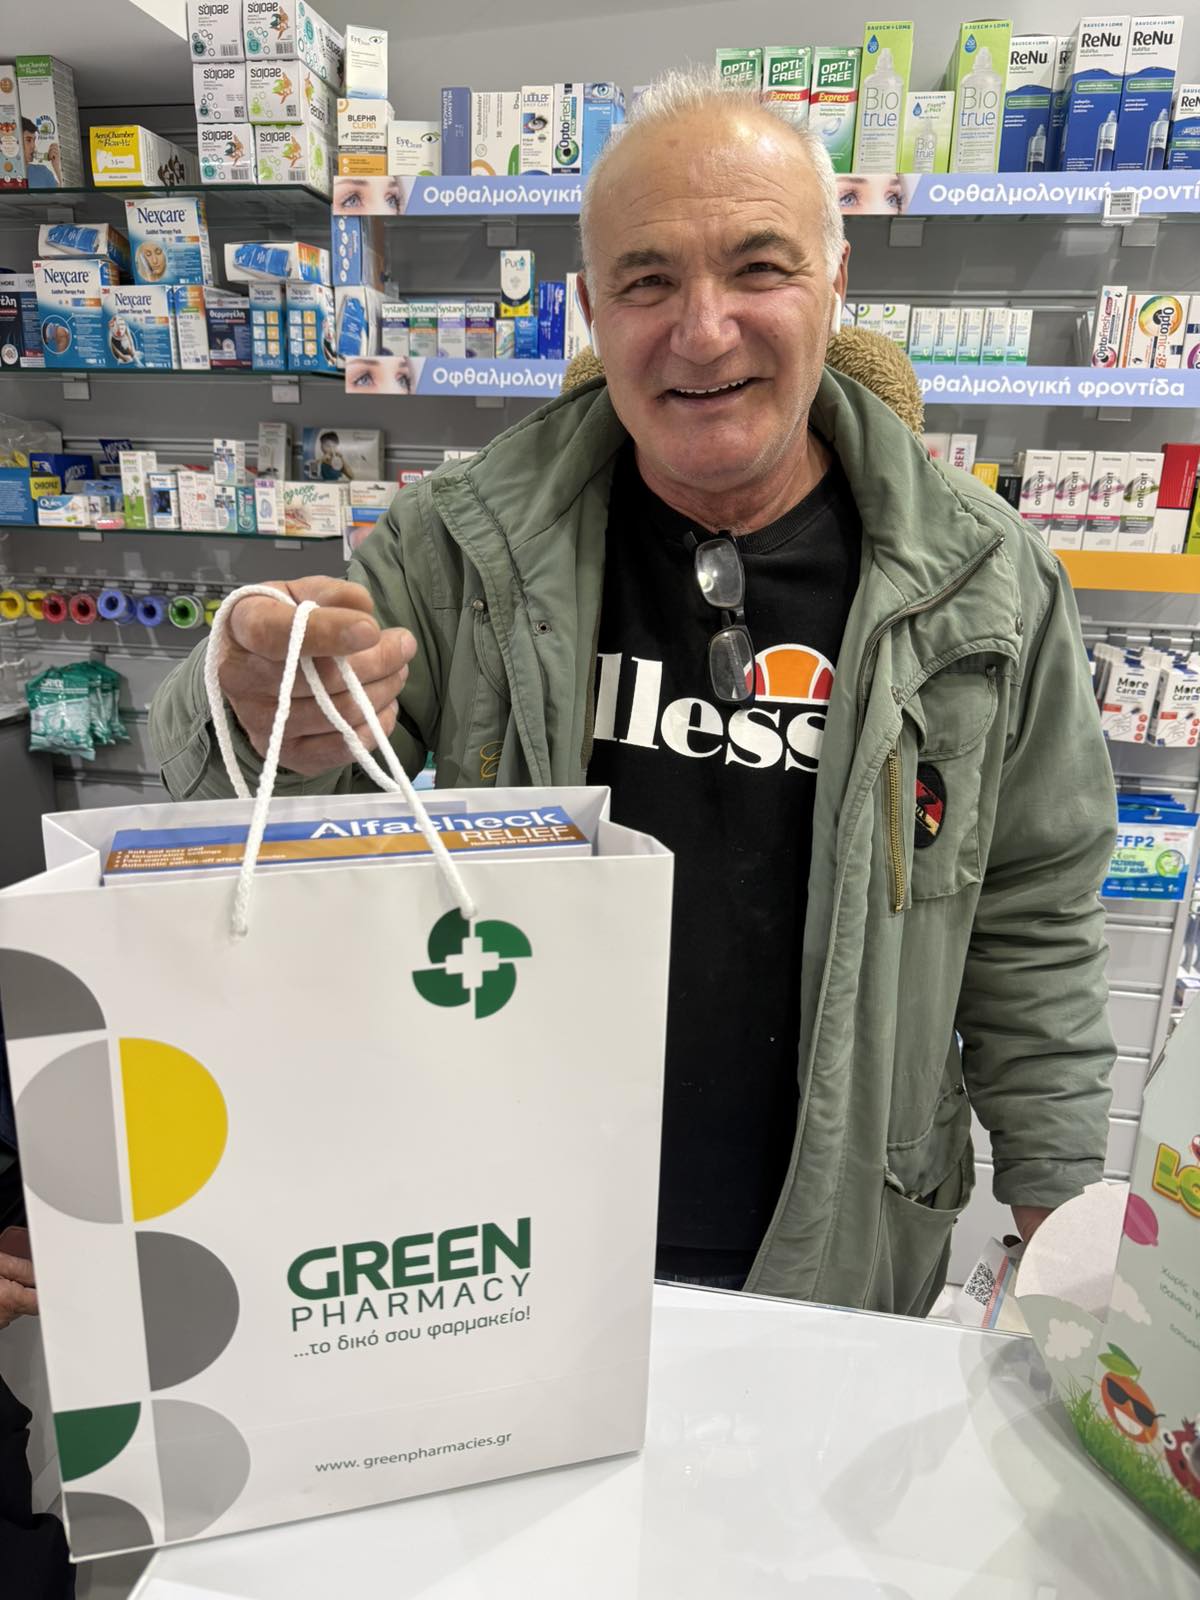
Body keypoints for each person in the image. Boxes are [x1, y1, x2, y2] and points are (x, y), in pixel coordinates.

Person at [150, 69, 1117, 1317]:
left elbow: (1033, 915)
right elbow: (241, 812)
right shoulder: (465, 544)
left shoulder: (988, 583)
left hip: (838, 1253)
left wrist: (1061, 1222)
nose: (702, 332)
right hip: (507, 1236)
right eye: (647, 282)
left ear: (836, 282)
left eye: (758, 268)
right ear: (591, 310)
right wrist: (254, 709)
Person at [21, 119, 61, 189]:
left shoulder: (43, 172)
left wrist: (56, 167)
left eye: (34, 140)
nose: (33, 146)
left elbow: (62, 194)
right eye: (28, 140)